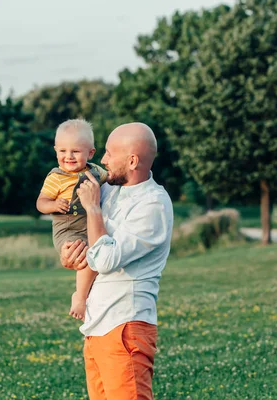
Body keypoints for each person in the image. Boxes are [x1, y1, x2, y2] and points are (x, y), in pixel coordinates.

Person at [61, 122, 174, 400]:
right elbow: (87, 244)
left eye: (110, 153)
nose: (103, 159)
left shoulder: (153, 205)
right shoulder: (110, 190)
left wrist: (92, 208)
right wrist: (69, 253)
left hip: (126, 327)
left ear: (132, 160)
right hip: (97, 324)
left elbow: (105, 259)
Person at [36, 119, 107, 321]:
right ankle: (80, 296)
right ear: (56, 150)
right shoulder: (56, 177)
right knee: (79, 251)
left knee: (95, 250)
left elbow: (111, 180)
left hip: (89, 225)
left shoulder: (96, 172)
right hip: (66, 227)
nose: (68, 156)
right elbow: (41, 203)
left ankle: (87, 291)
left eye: (75, 151)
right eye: (63, 151)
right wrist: (53, 205)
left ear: (90, 153)